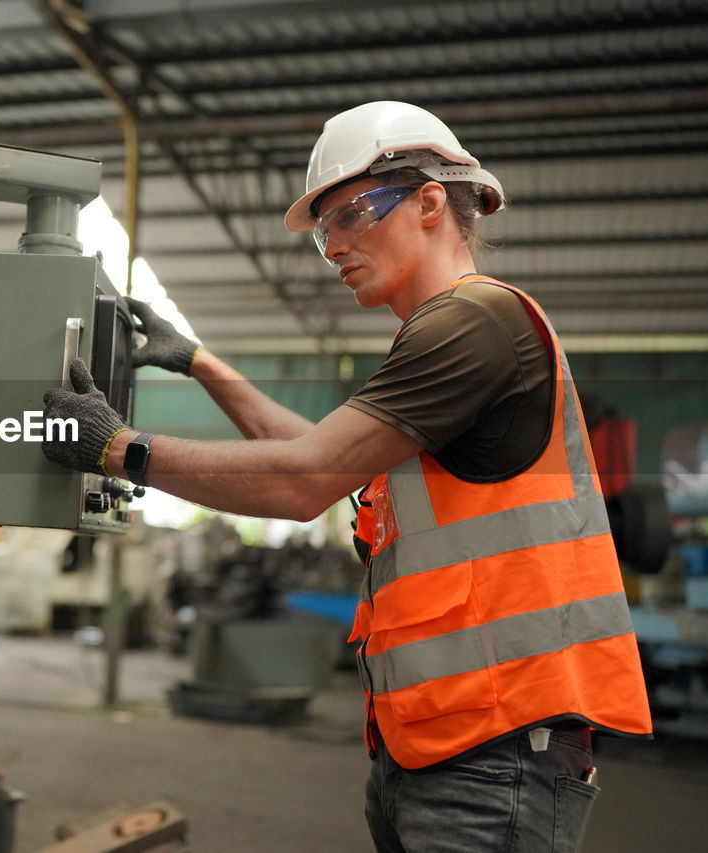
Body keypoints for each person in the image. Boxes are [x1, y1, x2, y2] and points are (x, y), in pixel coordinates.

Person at [41, 101, 652, 852]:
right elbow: (323, 466)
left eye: (352, 214)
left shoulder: (474, 323)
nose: (332, 246)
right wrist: (202, 364)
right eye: (323, 229)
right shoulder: (440, 335)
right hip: (437, 742)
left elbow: (303, 478)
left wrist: (119, 450)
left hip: (494, 747)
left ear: (431, 201)